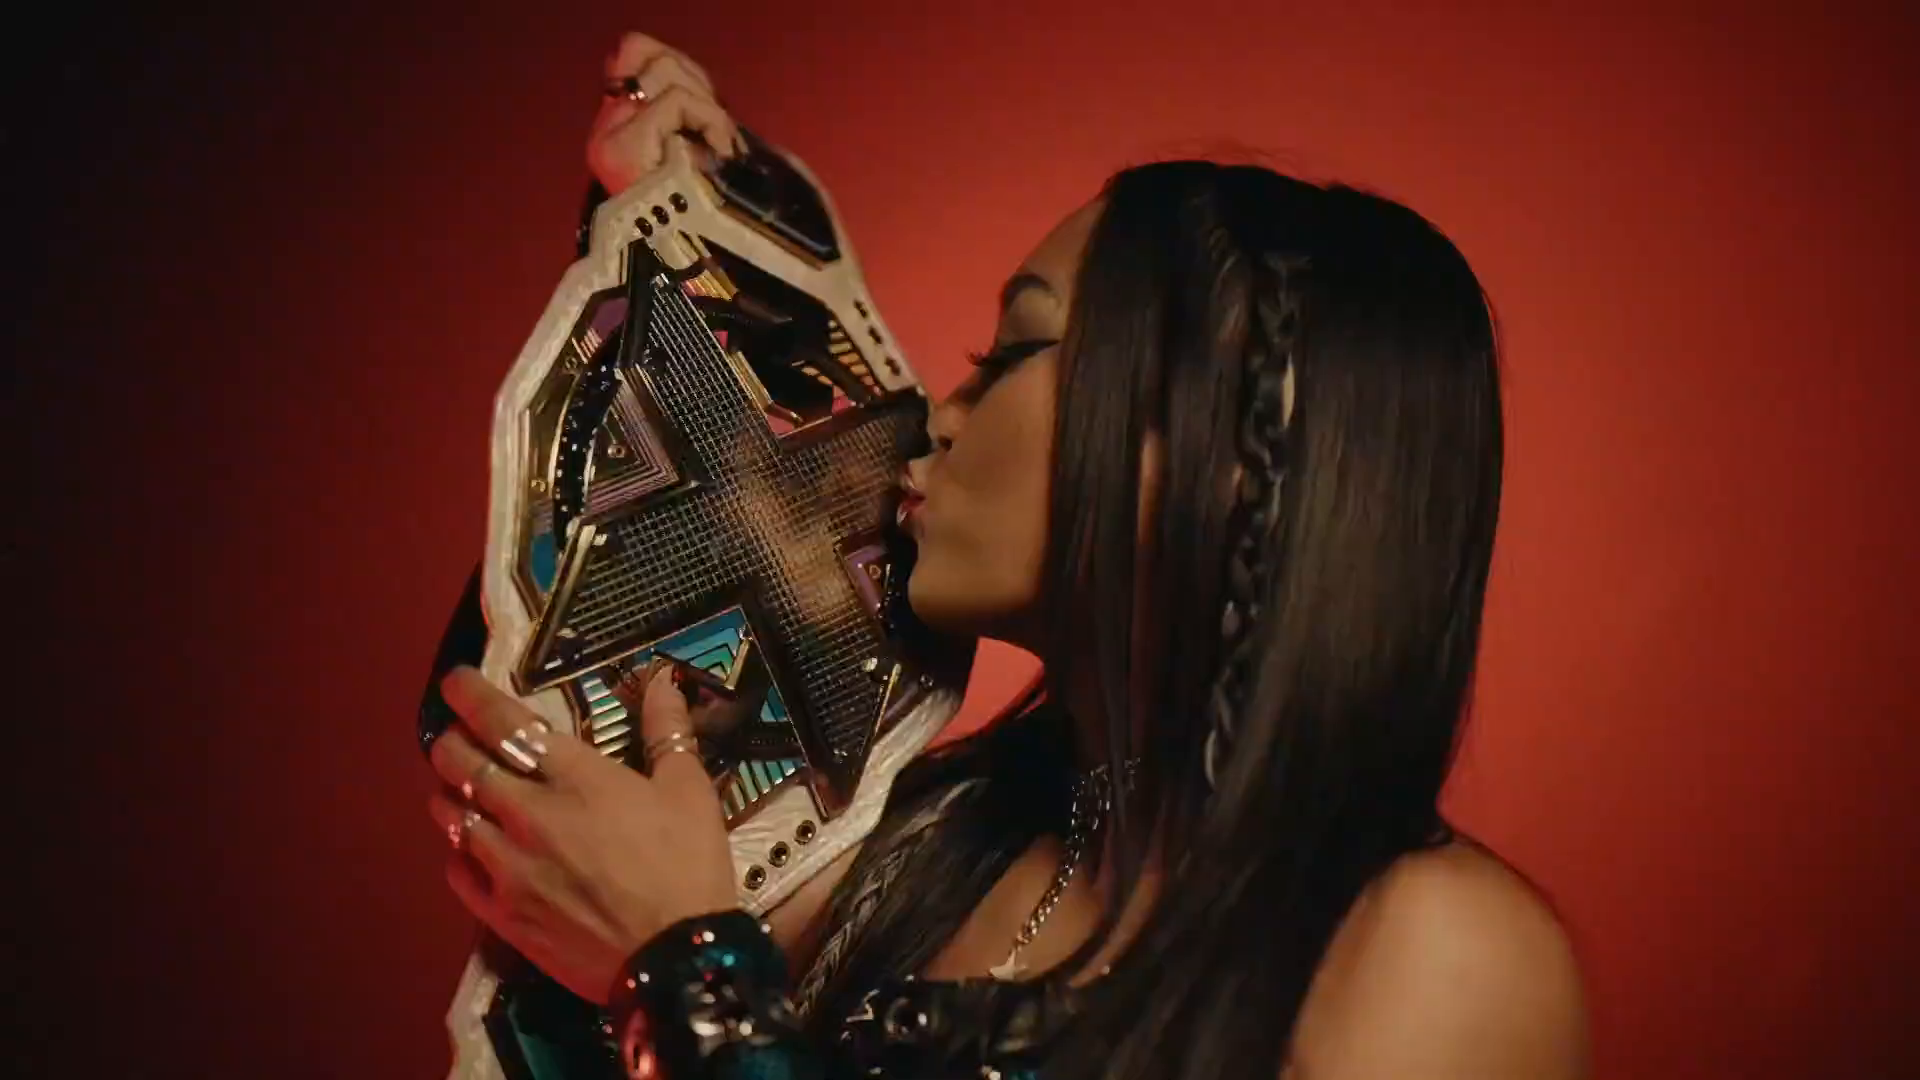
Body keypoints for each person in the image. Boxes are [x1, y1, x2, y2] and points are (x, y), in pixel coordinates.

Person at [424, 31, 1590, 1080]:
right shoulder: (924, 844)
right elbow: (527, 728)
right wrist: (670, 261)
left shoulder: (1439, 956)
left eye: (1014, 351)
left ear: (1223, 445)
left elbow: (680, 969)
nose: (941, 414)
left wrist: (690, 983)